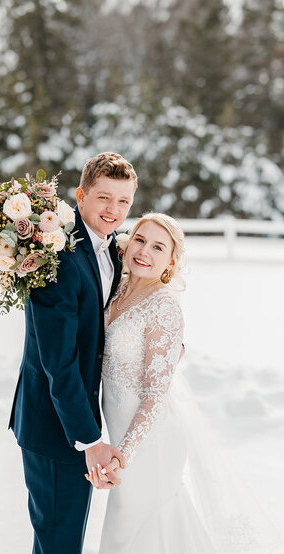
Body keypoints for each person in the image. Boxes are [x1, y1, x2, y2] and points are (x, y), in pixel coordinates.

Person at [87, 213, 283, 554]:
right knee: (125, 530)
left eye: (158, 247)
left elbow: (154, 395)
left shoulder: (163, 306)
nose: (145, 251)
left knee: (144, 529)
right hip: (119, 435)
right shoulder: (116, 290)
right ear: (127, 242)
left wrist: (124, 454)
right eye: (140, 240)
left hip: (150, 440)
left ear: (170, 262)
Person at [8, 152, 138, 554]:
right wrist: (89, 439)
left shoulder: (110, 249)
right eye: (104, 198)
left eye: (123, 201)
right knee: (60, 543)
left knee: (59, 541)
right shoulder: (58, 257)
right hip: (54, 425)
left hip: (78, 418)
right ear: (80, 196)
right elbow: (58, 363)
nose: (113, 210)